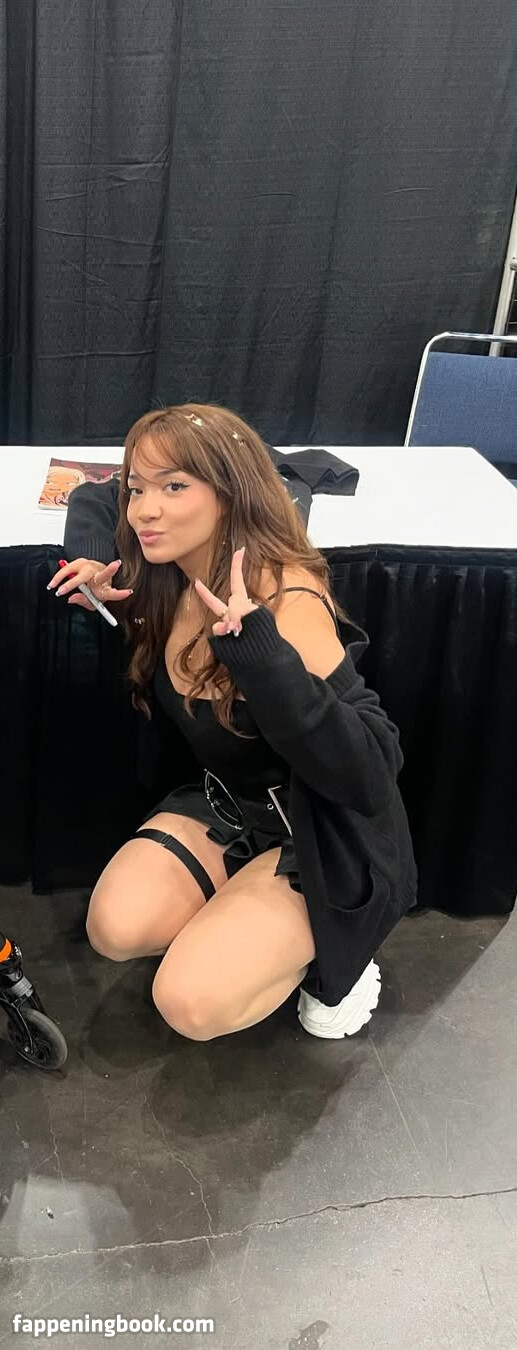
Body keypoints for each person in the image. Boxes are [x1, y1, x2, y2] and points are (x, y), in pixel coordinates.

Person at [48, 404, 418, 1041]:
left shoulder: (287, 600)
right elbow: (93, 496)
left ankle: (341, 958)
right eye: (139, 489)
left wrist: (263, 659)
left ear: (231, 494)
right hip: (232, 804)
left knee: (189, 1004)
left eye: (174, 487)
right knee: (115, 929)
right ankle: (243, 920)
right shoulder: (170, 574)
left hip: (326, 831)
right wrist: (93, 563)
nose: (144, 511)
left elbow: (370, 772)